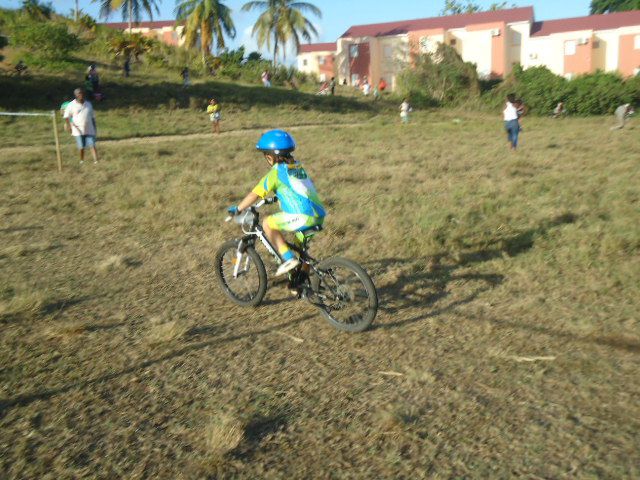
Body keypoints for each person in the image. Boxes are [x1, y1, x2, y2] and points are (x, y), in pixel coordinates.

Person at [227, 130, 326, 276]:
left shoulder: (275, 173)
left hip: (302, 215)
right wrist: (279, 197)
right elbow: (296, 188)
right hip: (318, 213)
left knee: (268, 223)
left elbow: (255, 194)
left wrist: (238, 208)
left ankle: (288, 259)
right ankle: (299, 281)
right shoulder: (298, 167)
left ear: (269, 157)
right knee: (302, 249)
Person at [63, 88, 99, 164]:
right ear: (75, 95)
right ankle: (82, 160)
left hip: (89, 128)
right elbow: (66, 116)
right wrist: (68, 125)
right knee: (82, 147)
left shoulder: (88, 104)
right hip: (78, 129)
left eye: (82, 93)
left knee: (92, 144)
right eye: (79, 93)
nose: (81, 94)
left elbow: (92, 117)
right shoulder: (71, 105)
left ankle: (96, 161)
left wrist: (95, 127)